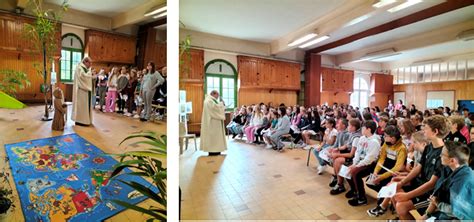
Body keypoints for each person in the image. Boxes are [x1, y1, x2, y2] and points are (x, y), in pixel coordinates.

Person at [422, 141, 474, 220]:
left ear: (452, 161)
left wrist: (438, 204)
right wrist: (427, 214)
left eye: (442, 154)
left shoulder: (463, 181)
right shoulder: (451, 170)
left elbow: (459, 212)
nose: (440, 156)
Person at [346, 120, 381, 206]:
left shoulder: (374, 142)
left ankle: (362, 198)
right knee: (347, 170)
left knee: (355, 173)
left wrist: (356, 166)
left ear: (368, 129)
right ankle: (355, 191)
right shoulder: (362, 138)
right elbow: (357, 152)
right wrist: (354, 163)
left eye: (363, 128)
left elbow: (369, 159)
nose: (361, 129)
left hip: (370, 164)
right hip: (360, 162)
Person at [200, 90, 227, 156]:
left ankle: (216, 150)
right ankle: (213, 151)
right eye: (217, 95)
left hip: (214, 122)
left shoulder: (210, 100)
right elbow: (214, 109)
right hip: (212, 123)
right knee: (213, 137)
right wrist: (221, 104)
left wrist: (221, 105)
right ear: (213, 94)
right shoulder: (209, 101)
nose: (218, 97)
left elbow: (216, 107)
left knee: (215, 137)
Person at [71, 57, 96, 126]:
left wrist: (93, 77)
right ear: (85, 62)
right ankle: (81, 121)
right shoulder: (80, 68)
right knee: (81, 106)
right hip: (82, 91)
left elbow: (87, 77)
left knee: (84, 106)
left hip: (85, 90)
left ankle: (85, 120)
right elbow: (83, 77)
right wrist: (90, 73)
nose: (90, 65)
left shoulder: (84, 68)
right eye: (89, 63)